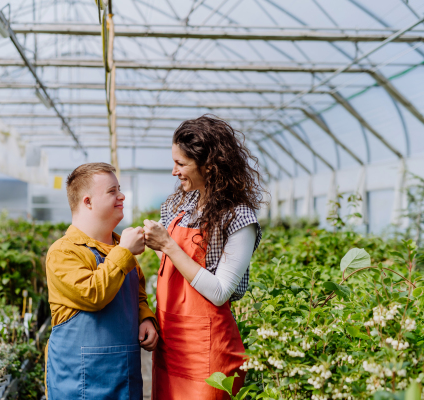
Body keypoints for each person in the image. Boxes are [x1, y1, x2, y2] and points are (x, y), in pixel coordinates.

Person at [143, 115, 264, 400]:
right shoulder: (179, 204)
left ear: (209, 165)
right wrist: (153, 243)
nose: (174, 172)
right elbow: (174, 262)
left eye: (181, 164)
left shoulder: (238, 218)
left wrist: (169, 245)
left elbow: (221, 292)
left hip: (207, 352)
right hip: (171, 343)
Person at [44, 162, 158, 400]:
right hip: (80, 384)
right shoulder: (64, 252)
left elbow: (137, 297)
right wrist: (125, 252)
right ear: (88, 202)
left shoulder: (120, 249)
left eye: (120, 189)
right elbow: (92, 293)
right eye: (112, 191)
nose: (122, 195)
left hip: (124, 380)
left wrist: (145, 318)